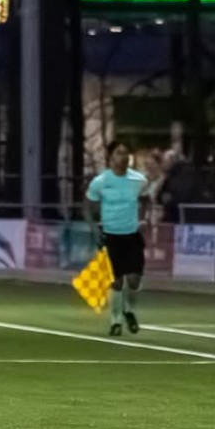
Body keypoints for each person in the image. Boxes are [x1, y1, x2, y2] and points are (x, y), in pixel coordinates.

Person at [86, 140, 149, 335]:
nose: (123, 157)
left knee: (134, 280)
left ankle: (128, 309)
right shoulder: (101, 182)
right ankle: (115, 322)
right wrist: (95, 230)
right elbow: (87, 207)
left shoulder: (138, 180)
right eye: (119, 153)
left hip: (132, 235)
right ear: (110, 157)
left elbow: (146, 199)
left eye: (126, 153)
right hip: (111, 236)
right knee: (117, 281)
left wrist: (143, 218)